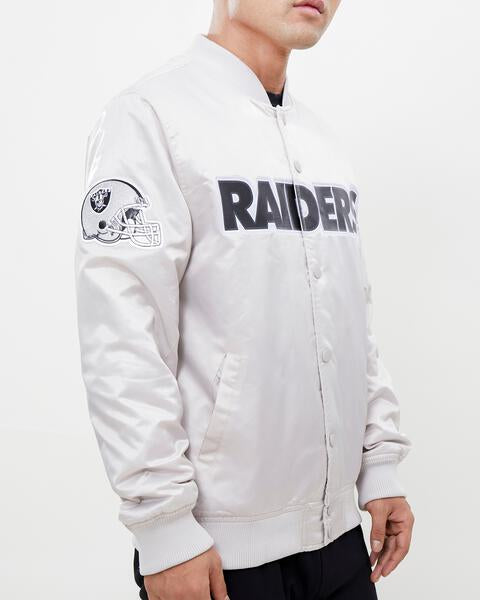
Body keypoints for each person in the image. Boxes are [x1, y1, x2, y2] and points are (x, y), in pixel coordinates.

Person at [75, 1, 414, 599]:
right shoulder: (150, 118)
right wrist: (163, 526)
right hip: (215, 553)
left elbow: (349, 320)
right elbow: (123, 336)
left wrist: (378, 464)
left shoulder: (322, 143)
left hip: (341, 540)